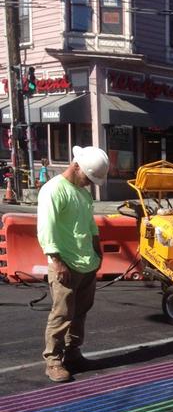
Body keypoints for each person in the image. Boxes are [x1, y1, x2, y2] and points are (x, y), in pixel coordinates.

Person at [37, 145, 110, 383]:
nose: (90, 183)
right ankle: (53, 360)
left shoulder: (82, 193)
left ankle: (73, 352)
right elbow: (45, 230)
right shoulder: (53, 190)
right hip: (66, 264)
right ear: (76, 165)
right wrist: (57, 262)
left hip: (86, 262)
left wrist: (97, 250)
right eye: (88, 177)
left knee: (80, 313)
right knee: (62, 315)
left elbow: (89, 224)